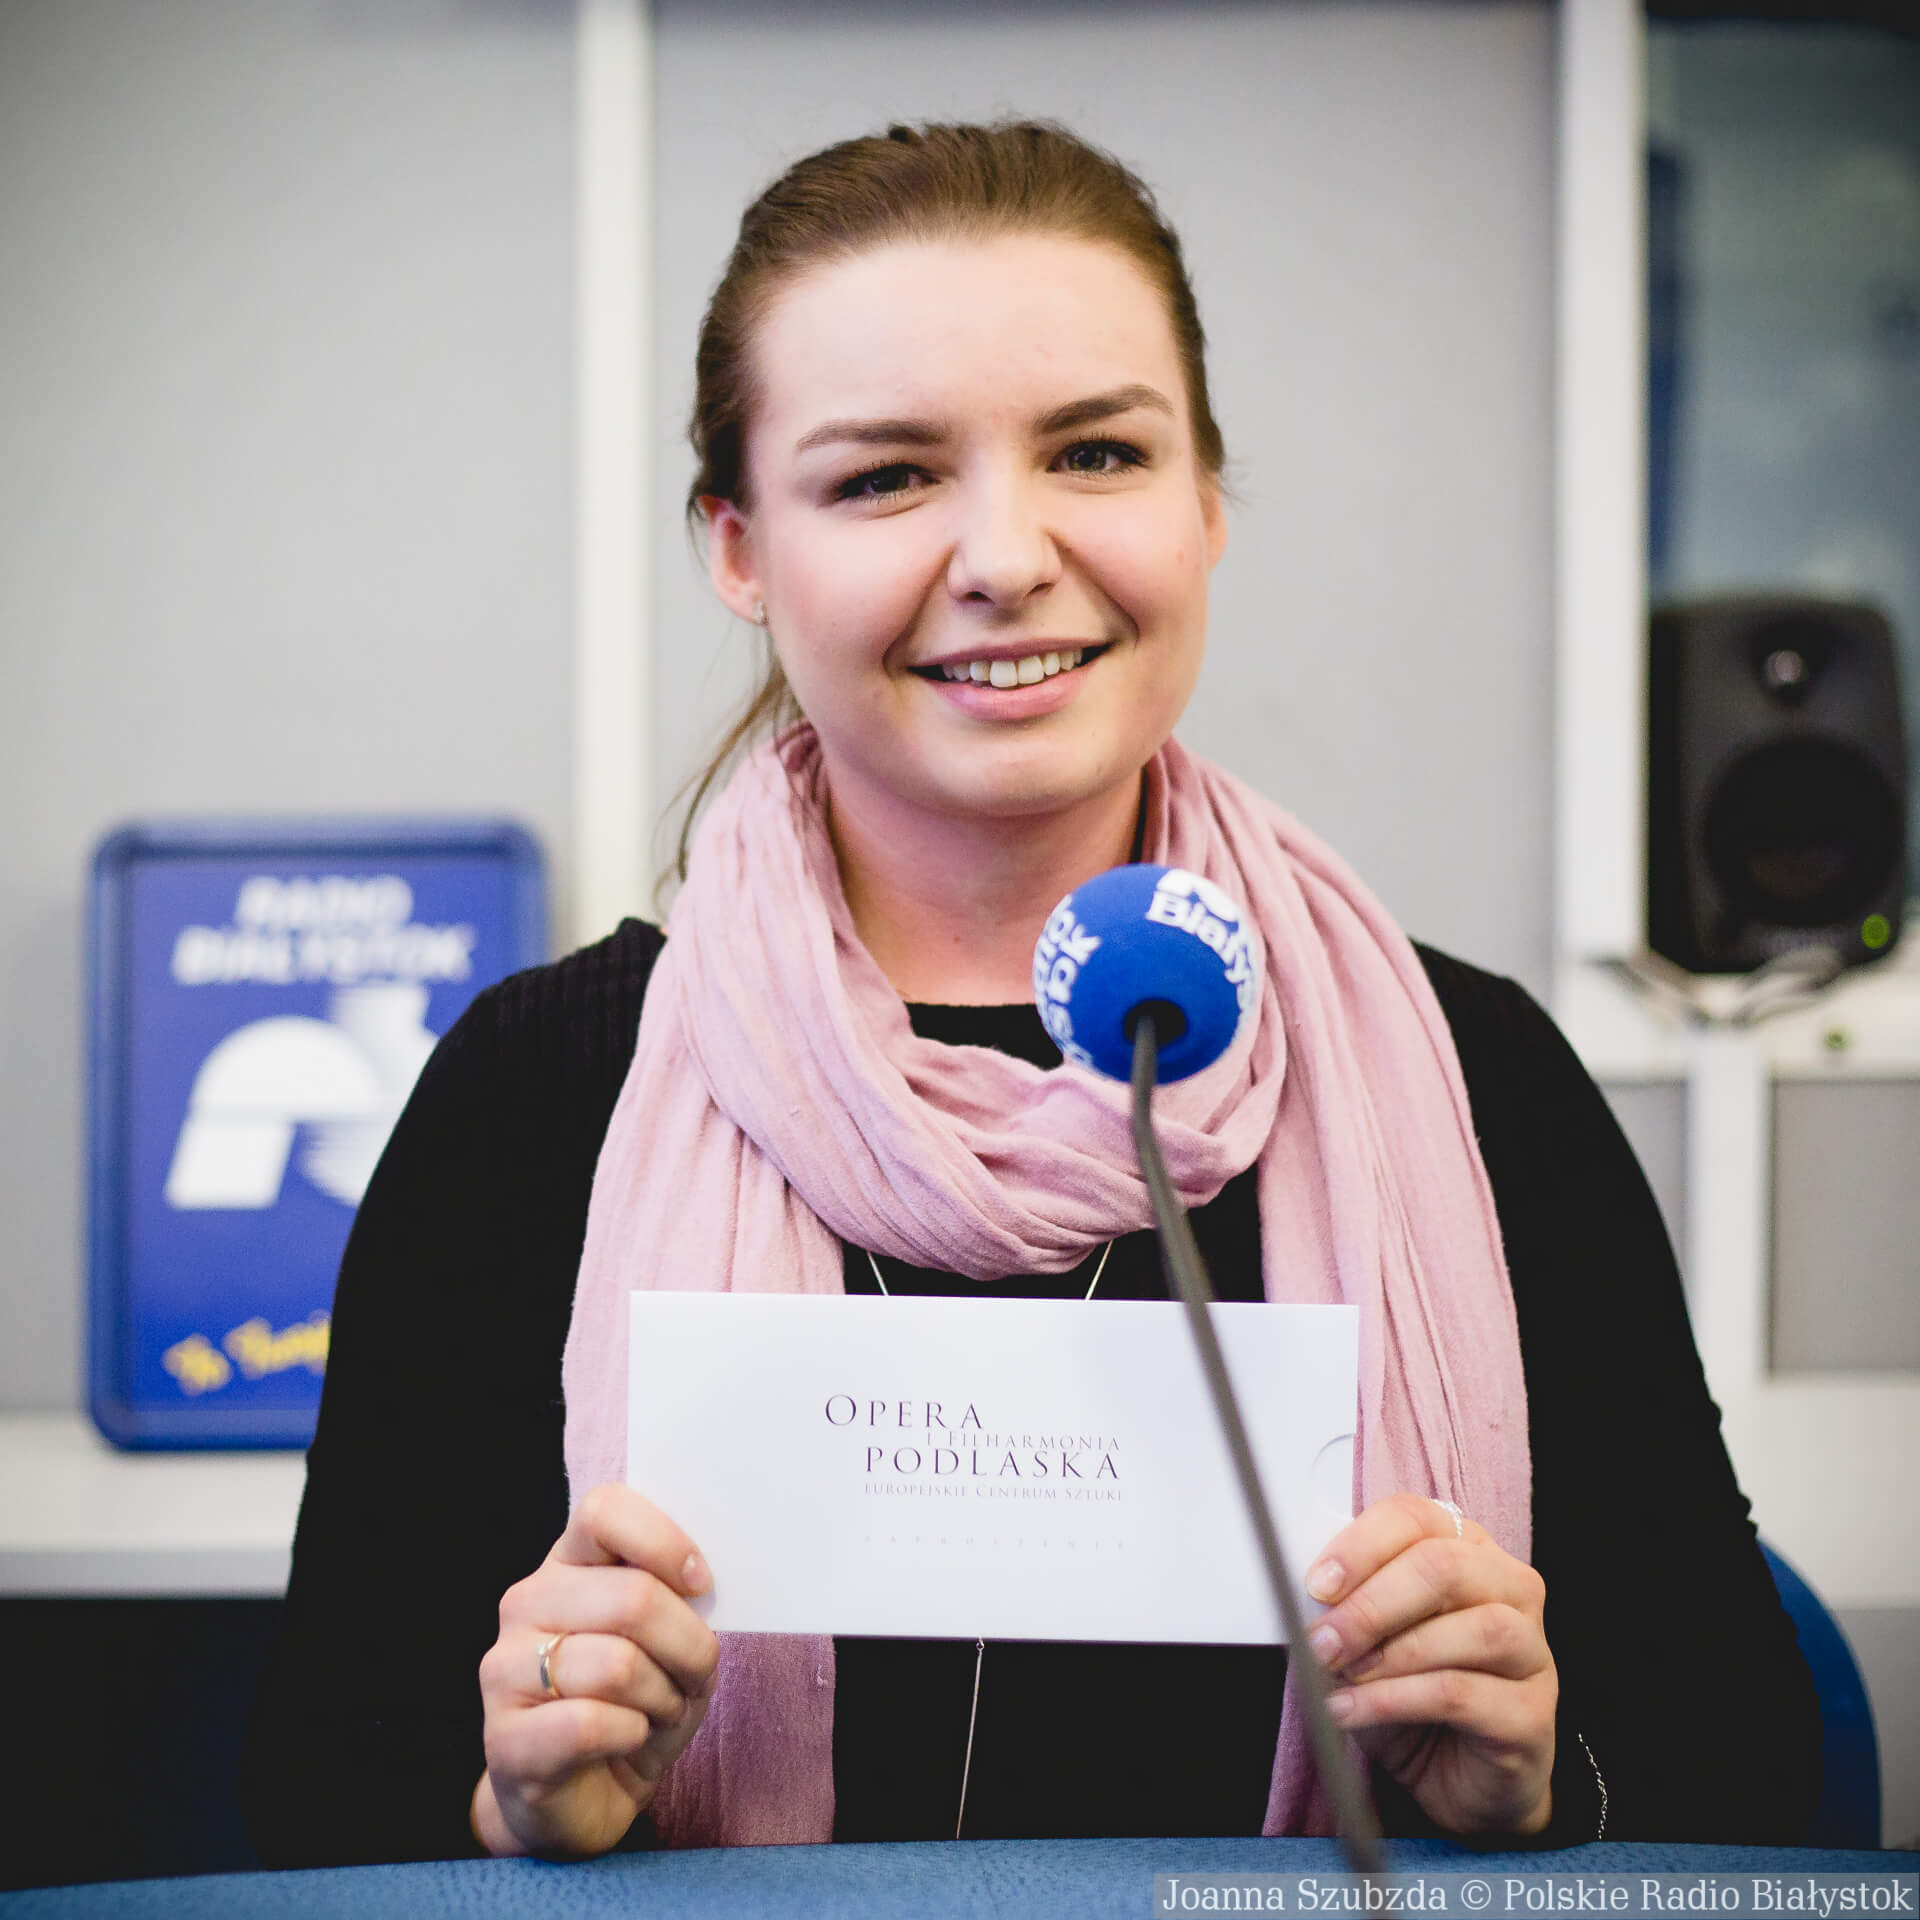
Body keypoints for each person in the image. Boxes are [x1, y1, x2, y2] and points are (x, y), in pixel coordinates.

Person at [244, 120, 1820, 1868]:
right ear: (740, 549)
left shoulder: (1475, 1080)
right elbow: (315, 1817)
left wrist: (1535, 1791)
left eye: (1096, 452)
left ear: (1205, 506)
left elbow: (1756, 1795)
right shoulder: (536, 1096)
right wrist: (515, 1803)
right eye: (884, 477)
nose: (1005, 553)